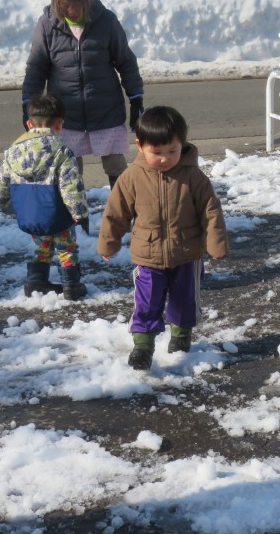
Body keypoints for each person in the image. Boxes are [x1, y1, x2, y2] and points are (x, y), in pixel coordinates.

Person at [97, 106, 230, 370]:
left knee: (185, 300)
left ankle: (181, 336)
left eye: (172, 151)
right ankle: (143, 346)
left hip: (187, 254)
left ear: (182, 144)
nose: (164, 159)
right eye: (156, 152)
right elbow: (116, 212)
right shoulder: (132, 177)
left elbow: (211, 211)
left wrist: (216, 244)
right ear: (140, 146)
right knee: (146, 301)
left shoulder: (193, 176)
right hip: (147, 255)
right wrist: (108, 243)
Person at [22, 0, 144, 190]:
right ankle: (72, 209)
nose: (71, 11)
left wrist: (136, 98)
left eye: (76, 5)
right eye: (64, 5)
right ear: (56, 2)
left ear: (86, 0)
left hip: (105, 110)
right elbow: (36, 68)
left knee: (115, 166)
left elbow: (125, 61)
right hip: (65, 115)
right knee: (69, 169)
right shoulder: (47, 25)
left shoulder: (106, 21)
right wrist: (28, 103)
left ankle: (122, 206)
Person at [0, 93, 90, 301]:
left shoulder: (13, 151)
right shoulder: (62, 150)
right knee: (66, 247)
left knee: (43, 244)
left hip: (30, 213)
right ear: (60, 124)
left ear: (29, 124)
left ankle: (36, 281)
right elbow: (71, 185)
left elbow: (2, 180)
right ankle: (71, 285)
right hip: (57, 213)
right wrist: (80, 213)